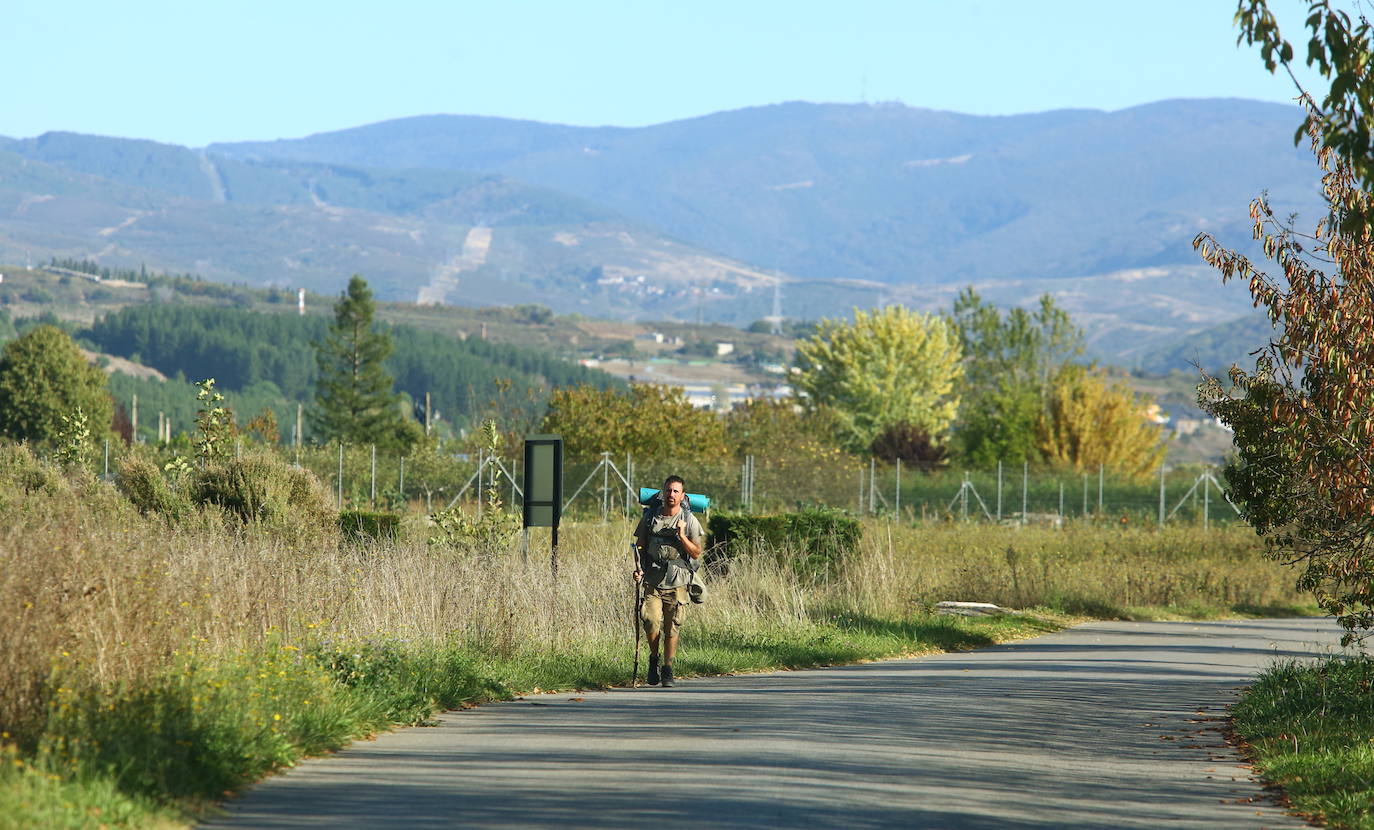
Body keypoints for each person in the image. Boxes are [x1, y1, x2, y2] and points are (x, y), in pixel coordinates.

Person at [632, 475, 704, 687]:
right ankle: (653, 661)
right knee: (651, 621)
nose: (671, 495)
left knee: (673, 627)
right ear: (663, 493)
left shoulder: (689, 520)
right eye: (668, 490)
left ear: (682, 496)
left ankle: (668, 669)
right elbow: (640, 546)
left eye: (675, 491)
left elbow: (697, 552)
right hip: (653, 579)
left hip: (678, 581)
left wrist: (682, 535)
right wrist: (639, 570)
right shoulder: (650, 517)